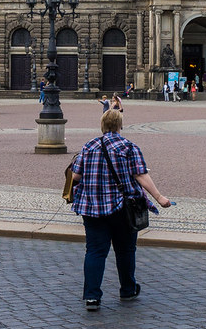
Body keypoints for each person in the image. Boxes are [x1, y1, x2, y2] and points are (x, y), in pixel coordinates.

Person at [69, 109, 171, 311]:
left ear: (102, 125)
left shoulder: (88, 146)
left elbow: (75, 177)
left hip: (92, 207)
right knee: (125, 250)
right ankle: (127, 289)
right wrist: (159, 198)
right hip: (122, 207)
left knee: (95, 251)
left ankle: (92, 297)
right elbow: (141, 175)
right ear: (120, 126)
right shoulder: (128, 147)